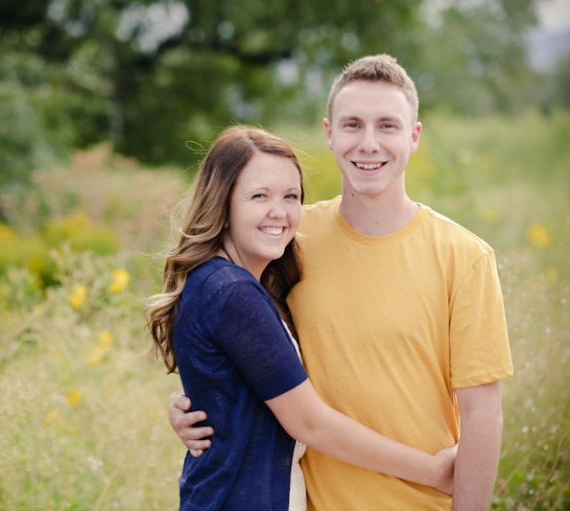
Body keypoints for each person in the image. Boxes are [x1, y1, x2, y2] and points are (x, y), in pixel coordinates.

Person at [169, 55, 514, 510]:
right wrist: (198, 405)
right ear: (330, 133)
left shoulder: (464, 257)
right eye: (353, 125)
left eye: (387, 126)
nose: (369, 143)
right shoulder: (288, 237)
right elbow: (233, 339)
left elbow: (482, 414)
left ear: (414, 137)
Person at [147, 125, 457, 510]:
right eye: (259, 196)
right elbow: (310, 423)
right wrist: (435, 472)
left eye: (291, 196)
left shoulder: (224, 282)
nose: (280, 212)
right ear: (222, 205)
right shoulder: (232, 291)